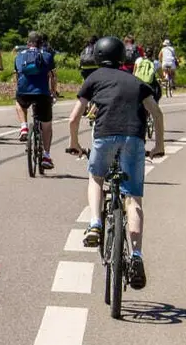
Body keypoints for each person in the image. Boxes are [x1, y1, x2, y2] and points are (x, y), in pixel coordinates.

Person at [65, 36, 164, 288]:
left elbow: (73, 118)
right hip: (134, 139)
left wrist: (75, 143)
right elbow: (157, 113)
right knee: (133, 199)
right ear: (122, 57)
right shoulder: (136, 81)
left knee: (96, 177)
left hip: (105, 136)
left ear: (97, 56)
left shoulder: (94, 79)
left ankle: (95, 224)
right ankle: (137, 255)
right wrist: (159, 146)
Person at [13, 30, 57, 170]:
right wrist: (53, 92)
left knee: (19, 103)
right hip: (42, 93)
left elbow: (17, 75)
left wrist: (19, 88)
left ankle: (24, 127)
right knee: (47, 126)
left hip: (24, 92)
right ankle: (46, 156)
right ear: (41, 43)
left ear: (28, 43)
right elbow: (53, 76)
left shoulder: (20, 55)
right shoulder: (47, 56)